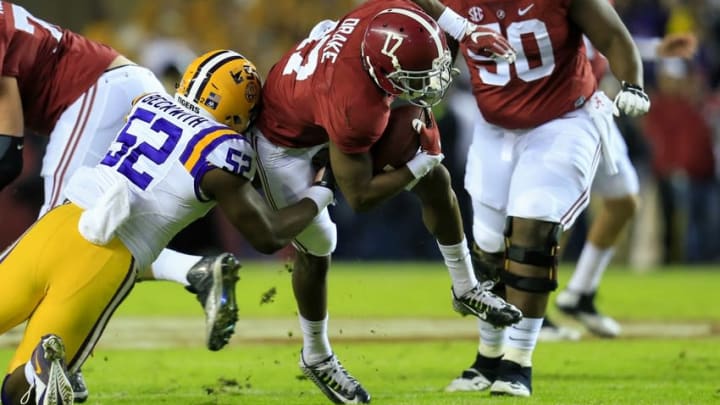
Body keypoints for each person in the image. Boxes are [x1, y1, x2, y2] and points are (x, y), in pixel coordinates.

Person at [0, 48, 336, 405]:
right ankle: (38, 374)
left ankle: (43, 372)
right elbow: (268, 235)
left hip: (58, 222)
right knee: (16, 396)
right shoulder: (223, 152)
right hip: (106, 255)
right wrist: (320, 194)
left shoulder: (147, 103)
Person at [252, 0, 523, 403]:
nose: (431, 82)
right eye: (416, 76)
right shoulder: (355, 105)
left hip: (321, 99)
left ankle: (466, 287)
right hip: (285, 142)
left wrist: (465, 31)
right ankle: (316, 354)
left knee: (437, 177)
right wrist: (419, 164)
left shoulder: (388, 14)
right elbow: (359, 197)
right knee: (319, 244)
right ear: (384, 70)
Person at [0, 3, 239, 400]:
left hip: (95, 93)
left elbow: (7, 154)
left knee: (62, 234)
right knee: (98, 237)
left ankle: (59, 360)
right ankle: (193, 270)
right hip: (114, 91)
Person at [440, 0, 650, 397]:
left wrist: (633, 82)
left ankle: (519, 362)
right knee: (486, 249)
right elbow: (435, 42)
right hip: (494, 126)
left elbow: (613, 36)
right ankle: (488, 357)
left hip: (565, 119)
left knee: (534, 229)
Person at [548, 32, 699, 339]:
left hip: (593, 110)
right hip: (559, 114)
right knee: (553, 216)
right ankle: (528, 309)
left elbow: (607, 38)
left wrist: (655, 49)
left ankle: (579, 293)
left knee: (624, 200)